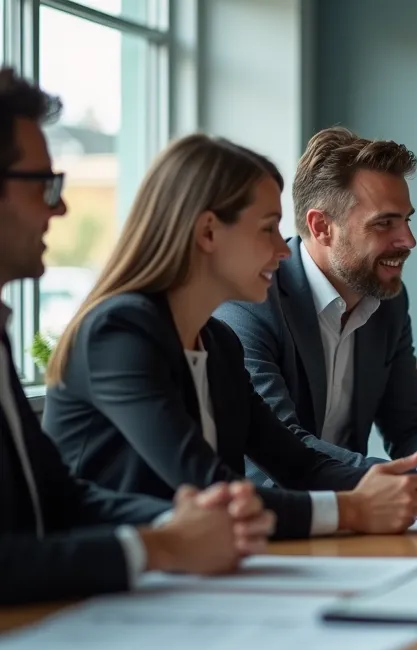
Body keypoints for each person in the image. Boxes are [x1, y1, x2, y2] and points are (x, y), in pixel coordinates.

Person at [41, 133, 417, 539]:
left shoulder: (218, 343)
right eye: (268, 229)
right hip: (99, 587)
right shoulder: (120, 332)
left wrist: (413, 480)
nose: (283, 251)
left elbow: (298, 462)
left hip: (188, 578)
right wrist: (350, 509)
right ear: (209, 232)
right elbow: (212, 489)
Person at [0, 67, 274, 604]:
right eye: (45, 184)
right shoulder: (120, 329)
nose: (61, 207)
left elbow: (61, 498)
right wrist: (159, 545)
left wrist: (189, 525)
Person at [213, 127, 417, 520]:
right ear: (321, 227)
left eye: (407, 220)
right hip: (271, 524)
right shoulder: (251, 301)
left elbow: (412, 422)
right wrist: (411, 484)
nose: (409, 240)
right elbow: (281, 448)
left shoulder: (389, 301)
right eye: (385, 224)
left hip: (357, 528)